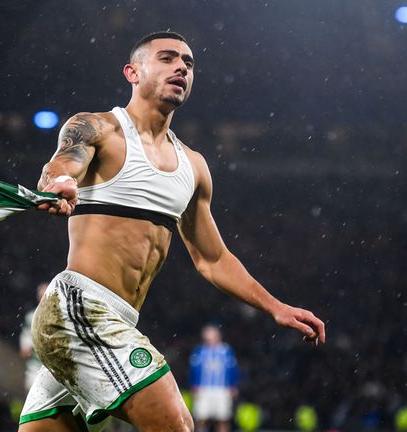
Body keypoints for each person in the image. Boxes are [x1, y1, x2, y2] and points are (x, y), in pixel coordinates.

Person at [20, 31, 325, 432]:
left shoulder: (193, 166)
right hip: (79, 309)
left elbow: (213, 259)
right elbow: (61, 165)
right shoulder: (98, 128)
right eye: (167, 58)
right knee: (177, 424)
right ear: (133, 72)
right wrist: (58, 183)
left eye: (188, 62)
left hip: (117, 320)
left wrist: (276, 307)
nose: (181, 66)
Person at [190, 325, 238, 432]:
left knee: (223, 418)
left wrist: (233, 385)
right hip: (203, 389)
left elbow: (232, 369)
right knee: (200, 418)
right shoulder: (200, 351)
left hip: (222, 389)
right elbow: (194, 370)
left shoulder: (226, 351)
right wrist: (194, 384)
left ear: (218, 336)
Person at [20, 283, 49, 391]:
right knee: (31, 390)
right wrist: (25, 346)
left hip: (51, 366)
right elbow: (26, 335)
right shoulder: (31, 316)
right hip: (34, 364)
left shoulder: (58, 315)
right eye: (40, 295)